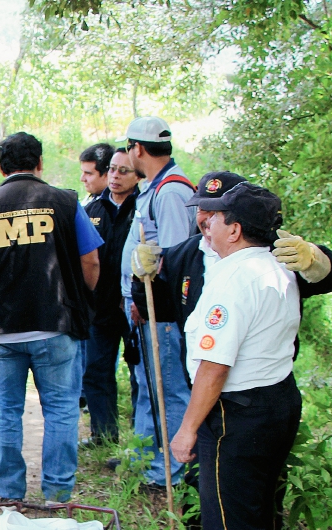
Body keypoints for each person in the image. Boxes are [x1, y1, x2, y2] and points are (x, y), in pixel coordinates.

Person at [135, 170, 332, 530]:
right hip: (234, 398)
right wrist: (146, 279)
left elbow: (328, 274)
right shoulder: (188, 255)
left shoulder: (274, 254)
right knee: (224, 506)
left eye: (211, 213)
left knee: (240, 513)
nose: (202, 221)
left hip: (243, 396)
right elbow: (155, 306)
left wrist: (318, 258)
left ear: (234, 224)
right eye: (200, 211)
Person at [168, 182, 301, 530]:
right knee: (258, 509)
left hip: (238, 414)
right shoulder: (273, 268)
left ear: (236, 229)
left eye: (216, 218)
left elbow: (215, 364)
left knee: (229, 521)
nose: (207, 224)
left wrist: (187, 431)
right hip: (276, 400)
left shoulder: (234, 278)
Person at [0, 132, 102, 503]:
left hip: (0, 331)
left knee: (4, 412)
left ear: (1, 167)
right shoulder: (66, 202)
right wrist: (79, 297)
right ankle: (57, 494)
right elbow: (91, 260)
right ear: (40, 164)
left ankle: (6, 494)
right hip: (55, 324)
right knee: (61, 409)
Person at [119, 116, 197, 489]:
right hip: (146, 312)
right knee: (150, 388)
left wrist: (148, 304)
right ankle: (148, 464)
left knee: (169, 390)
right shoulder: (155, 188)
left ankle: (172, 472)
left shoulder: (171, 193)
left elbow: (174, 261)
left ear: (138, 149)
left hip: (163, 314)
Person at [81, 147, 140, 446]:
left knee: (139, 374)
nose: (116, 177)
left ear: (138, 174)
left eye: (123, 171)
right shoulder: (92, 210)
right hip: (100, 308)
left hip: (134, 308)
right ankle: (103, 435)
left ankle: (144, 438)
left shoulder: (143, 208)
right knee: (96, 371)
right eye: (113, 170)